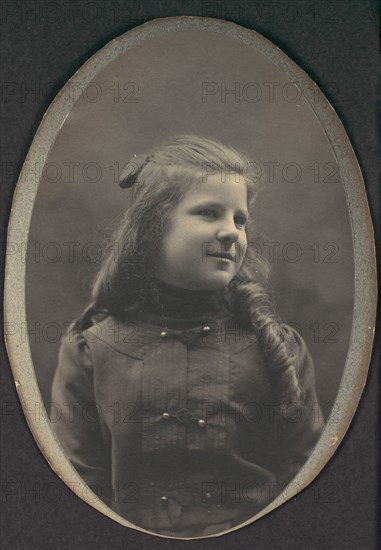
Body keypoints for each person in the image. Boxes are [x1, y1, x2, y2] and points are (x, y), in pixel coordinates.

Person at [51, 134, 325, 538]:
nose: (231, 232)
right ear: (152, 227)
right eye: (209, 213)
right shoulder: (93, 351)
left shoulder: (275, 347)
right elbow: (76, 490)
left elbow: (310, 484)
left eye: (240, 219)